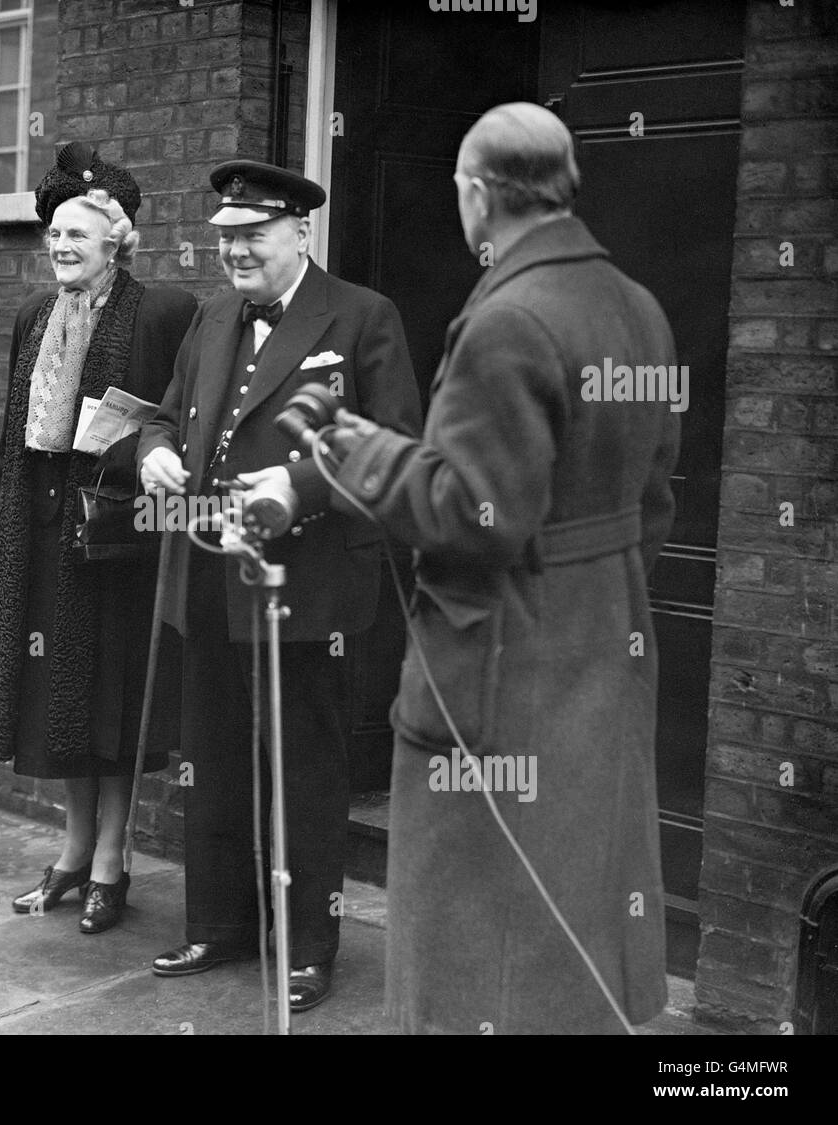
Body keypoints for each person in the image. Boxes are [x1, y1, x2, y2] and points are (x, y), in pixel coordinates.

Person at [330, 102, 681, 1034]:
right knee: (577, 901)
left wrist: (358, 453)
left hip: (498, 670)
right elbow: (653, 500)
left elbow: (469, 514)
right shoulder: (637, 307)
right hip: (604, 638)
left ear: (478, 195)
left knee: (478, 935)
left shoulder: (509, 320)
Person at [137, 160, 421, 1012]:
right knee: (214, 756)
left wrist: (294, 493)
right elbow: (165, 409)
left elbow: (392, 441)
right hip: (207, 576)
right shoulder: (212, 316)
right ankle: (220, 923)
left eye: (253, 235)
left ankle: (306, 945)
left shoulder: (363, 316)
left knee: (303, 769)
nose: (236, 251)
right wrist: (151, 448)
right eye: (226, 237)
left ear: (301, 232)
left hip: (309, 586)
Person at [0, 142, 197, 934]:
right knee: (57, 704)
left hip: (116, 544)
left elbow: (177, 423)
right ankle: (72, 853)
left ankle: (113, 861)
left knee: (108, 699)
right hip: (45, 538)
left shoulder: (164, 312)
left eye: (79, 234)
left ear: (117, 242)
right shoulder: (36, 316)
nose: (62, 246)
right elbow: (15, 436)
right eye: (55, 235)